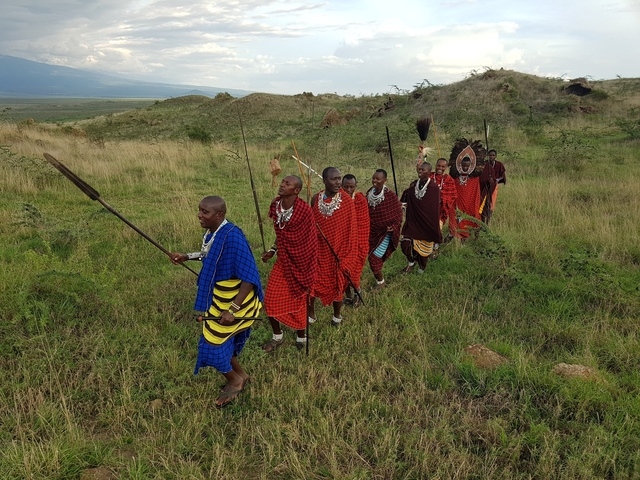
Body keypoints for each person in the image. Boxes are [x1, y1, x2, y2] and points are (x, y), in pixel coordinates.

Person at [171, 196, 263, 408]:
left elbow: (249, 277)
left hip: (236, 301)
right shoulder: (214, 232)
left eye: (205, 212)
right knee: (217, 338)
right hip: (219, 297)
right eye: (199, 210)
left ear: (220, 215)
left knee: (212, 344)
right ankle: (241, 375)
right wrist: (187, 256)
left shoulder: (233, 237)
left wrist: (233, 309)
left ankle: (235, 380)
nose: (199, 215)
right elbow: (208, 254)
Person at [261, 175, 318, 352]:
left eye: (287, 184)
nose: (282, 185)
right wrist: (272, 250)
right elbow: (281, 235)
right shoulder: (276, 205)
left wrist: (305, 265)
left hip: (302, 262)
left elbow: (309, 240)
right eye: (283, 182)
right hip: (283, 260)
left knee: (298, 299)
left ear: (296, 190)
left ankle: (301, 335)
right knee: (270, 299)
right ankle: (277, 336)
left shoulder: (304, 210)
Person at [309, 167, 357, 326]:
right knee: (312, 283)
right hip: (318, 252)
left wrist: (346, 256)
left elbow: (351, 231)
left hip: (338, 252)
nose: (338, 182)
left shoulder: (347, 202)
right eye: (333, 179)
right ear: (324, 180)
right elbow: (310, 225)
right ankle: (311, 315)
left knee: (337, 285)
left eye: (339, 178)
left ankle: (337, 316)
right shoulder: (316, 199)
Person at [400, 162, 442, 273]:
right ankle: (411, 263)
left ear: (429, 172)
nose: (420, 171)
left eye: (423, 170)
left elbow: (433, 210)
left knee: (423, 252)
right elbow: (406, 196)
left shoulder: (433, 188)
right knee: (405, 244)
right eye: (420, 169)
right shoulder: (414, 185)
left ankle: (421, 268)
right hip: (413, 221)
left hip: (426, 224)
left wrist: (432, 227)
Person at [366, 169, 403, 288]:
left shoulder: (390, 196)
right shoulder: (369, 193)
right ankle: (380, 281)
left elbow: (398, 214)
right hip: (372, 232)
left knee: (374, 258)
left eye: (378, 179)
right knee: (372, 256)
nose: (375, 181)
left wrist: (394, 227)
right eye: (374, 178)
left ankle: (380, 283)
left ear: (385, 180)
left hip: (385, 234)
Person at [341, 174, 370, 307]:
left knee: (354, 272)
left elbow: (363, 224)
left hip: (358, 243)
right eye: (345, 187)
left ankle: (357, 293)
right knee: (342, 271)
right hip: (342, 244)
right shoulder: (337, 200)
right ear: (341, 186)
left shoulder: (360, 200)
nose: (348, 190)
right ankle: (348, 297)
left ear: (355, 187)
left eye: (351, 187)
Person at [452, 157, 481, 239]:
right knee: (458, 220)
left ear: (470, 166)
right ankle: (460, 236)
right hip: (459, 204)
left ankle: (474, 237)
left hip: (470, 204)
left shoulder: (474, 178)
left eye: (467, 166)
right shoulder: (456, 177)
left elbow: (476, 192)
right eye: (463, 166)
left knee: (472, 219)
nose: (465, 168)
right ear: (460, 165)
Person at [433, 158, 458, 241]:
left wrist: (442, 199)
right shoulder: (429, 176)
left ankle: (434, 249)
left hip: (440, 211)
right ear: (435, 165)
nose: (440, 168)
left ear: (446, 167)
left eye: (443, 167)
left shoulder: (449, 179)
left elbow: (453, 195)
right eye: (438, 166)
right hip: (428, 210)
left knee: (436, 231)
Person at [479, 149, 506, 224]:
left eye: (493, 155)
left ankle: (488, 216)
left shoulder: (499, 164)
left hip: (494, 185)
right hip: (484, 186)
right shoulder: (485, 165)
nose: (491, 157)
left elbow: (502, 176)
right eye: (490, 155)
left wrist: (496, 180)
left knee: (491, 203)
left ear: (496, 156)